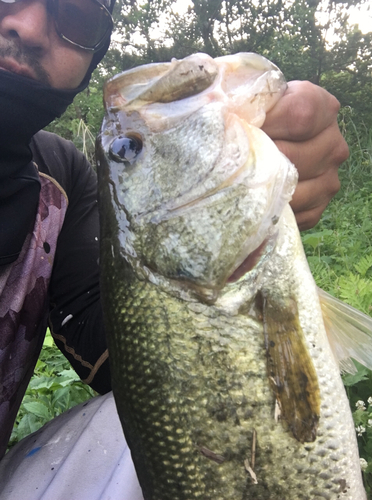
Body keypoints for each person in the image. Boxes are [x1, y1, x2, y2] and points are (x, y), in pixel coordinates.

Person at [0, 0, 349, 464]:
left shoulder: (64, 178)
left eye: (78, 18)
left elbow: (133, 356)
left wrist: (239, 234)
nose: (27, 27)